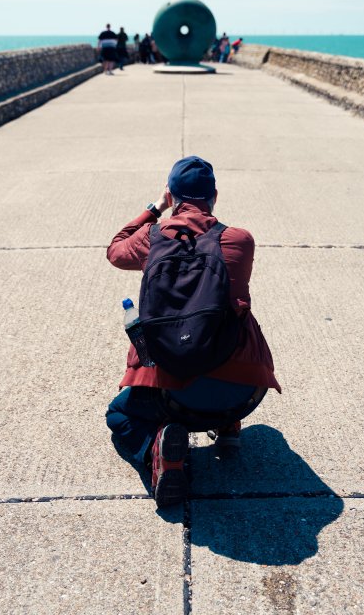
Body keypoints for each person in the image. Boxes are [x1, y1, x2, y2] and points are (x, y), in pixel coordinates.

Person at [106, 156, 281, 507]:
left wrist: (155, 208)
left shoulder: (151, 239)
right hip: (244, 390)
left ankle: (159, 450)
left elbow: (115, 249)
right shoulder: (240, 241)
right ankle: (228, 424)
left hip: (173, 397)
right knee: (234, 316)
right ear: (214, 194)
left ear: (172, 195)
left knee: (118, 414)